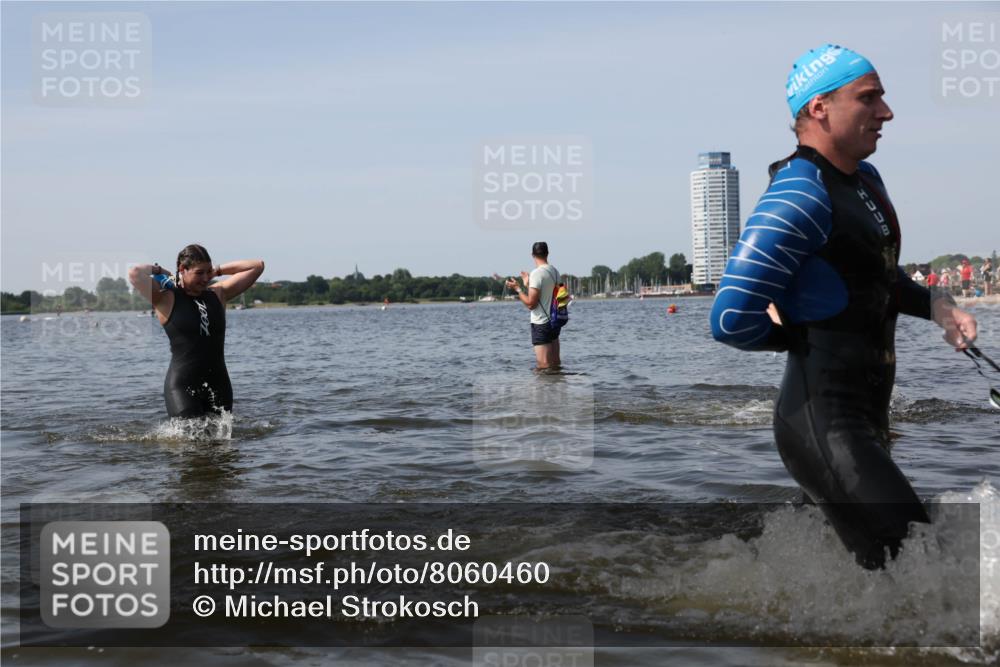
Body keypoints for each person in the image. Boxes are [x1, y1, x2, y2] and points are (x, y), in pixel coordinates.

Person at [709, 44, 978, 569]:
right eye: (869, 98)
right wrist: (804, 339)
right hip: (822, 422)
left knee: (870, 572)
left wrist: (941, 307)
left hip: (867, 418)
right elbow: (728, 318)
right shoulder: (796, 194)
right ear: (819, 108)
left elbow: (880, 279)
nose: (886, 112)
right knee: (922, 563)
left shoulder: (865, 182)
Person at [129, 244, 265, 418]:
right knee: (187, 441)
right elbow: (135, 273)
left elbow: (257, 265)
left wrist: (217, 271)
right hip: (182, 387)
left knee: (223, 442)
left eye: (208, 272)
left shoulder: (218, 293)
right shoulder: (165, 298)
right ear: (182, 269)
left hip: (219, 384)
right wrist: (160, 270)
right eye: (199, 273)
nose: (205, 278)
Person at [506, 242, 561, 370]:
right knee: (555, 364)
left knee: (543, 366)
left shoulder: (536, 273)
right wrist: (528, 283)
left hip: (541, 323)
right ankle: (557, 388)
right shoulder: (554, 271)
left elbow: (531, 304)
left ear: (532, 255)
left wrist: (518, 289)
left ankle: (543, 390)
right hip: (554, 321)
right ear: (547, 253)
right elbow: (545, 294)